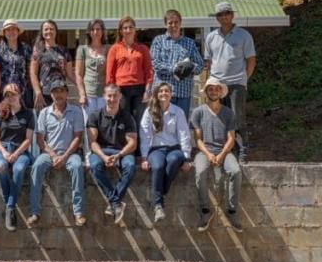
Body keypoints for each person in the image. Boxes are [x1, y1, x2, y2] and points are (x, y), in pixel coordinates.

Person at [204, 1, 257, 164]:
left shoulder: (244, 35)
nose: (224, 17)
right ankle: (225, 149)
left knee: (237, 116)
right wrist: (208, 83)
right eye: (220, 14)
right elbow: (208, 62)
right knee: (219, 117)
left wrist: (243, 79)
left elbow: (251, 60)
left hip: (236, 84)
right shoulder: (211, 37)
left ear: (232, 15)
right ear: (217, 18)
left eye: (227, 13)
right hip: (216, 85)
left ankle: (242, 148)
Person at [29, 79, 87, 227]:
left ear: (67, 93)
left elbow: (77, 138)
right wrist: (54, 156)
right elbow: (40, 140)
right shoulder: (44, 113)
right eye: (55, 91)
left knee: (77, 167)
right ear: (51, 94)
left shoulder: (76, 111)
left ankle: (78, 212)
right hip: (49, 154)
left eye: (61, 91)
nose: (58, 94)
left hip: (70, 153)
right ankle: (34, 211)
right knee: (36, 166)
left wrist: (64, 156)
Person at [191, 78, 243, 233]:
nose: (214, 92)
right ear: (206, 92)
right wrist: (208, 154)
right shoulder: (198, 112)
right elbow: (198, 140)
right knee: (200, 172)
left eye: (217, 89)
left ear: (221, 92)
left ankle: (232, 211)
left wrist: (221, 155)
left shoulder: (228, 113)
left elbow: (231, 139)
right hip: (204, 151)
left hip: (224, 151)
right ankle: (205, 210)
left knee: (236, 171)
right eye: (211, 89)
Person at [139, 82, 192, 222]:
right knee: (157, 166)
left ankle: (159, 194)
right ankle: (158, 206)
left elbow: (184, 134)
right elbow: (145, 135)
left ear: (171, 94)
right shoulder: (150, 111)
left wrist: (186, 157)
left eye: (166, 91)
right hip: (156, 149)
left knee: (175, 160)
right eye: (161, 91)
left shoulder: (178, 111)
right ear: (156, 93)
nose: (164, 93)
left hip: (174, 148)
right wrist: (144, 157)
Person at [87, 83, 138, 225]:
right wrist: (104, 157)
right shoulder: (95, 116)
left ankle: (113, 202)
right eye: (109, 95)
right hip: (101, 151)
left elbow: (132, 143)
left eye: (115, 95)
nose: (112, 98)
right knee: (95, 165)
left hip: (121, 151)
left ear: (120, 96)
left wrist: (119, 155)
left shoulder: (127, 117)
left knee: (130, 166)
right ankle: (116, 202)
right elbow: (92, 142)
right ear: (104, 97)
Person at [0, 84, 35, 231]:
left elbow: (28, 140)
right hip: (2, 149)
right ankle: (10, 205)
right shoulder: (0, 112)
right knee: (1, 167)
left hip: (20, 150)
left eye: (13, 94)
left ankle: (9, 207)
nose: (11, 97)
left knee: (20, 168)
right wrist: (4, 152)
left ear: (20, 94)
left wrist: (16, 154)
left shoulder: (28, 114)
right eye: (8, 95)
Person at [149, 9, 204, 118]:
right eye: (170, 23)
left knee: (181, 126)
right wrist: (175, 69)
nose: (173, 25)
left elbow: (200, 66)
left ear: (180, 23)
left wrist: (189, 67)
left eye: (176, 22)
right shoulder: (158, 41)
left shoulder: (190, 43)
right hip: (162, 93)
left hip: (183, 93)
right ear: (165, 24)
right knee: (160, 125)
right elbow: (155, 64)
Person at [106, 15, 153, 124]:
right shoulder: (114, 49)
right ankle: (125, 141)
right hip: (121, 89)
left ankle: (139, 141)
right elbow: (110, 73)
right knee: (123, 120)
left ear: (135, 30)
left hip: (139, 89)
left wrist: (147, 91)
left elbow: (149, 72)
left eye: (131, 27)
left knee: (140, 120)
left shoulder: (143, 49)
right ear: (121, 31)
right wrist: (112, 92)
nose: (128, 30)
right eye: (125, 28)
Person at [29, 19, 75, 110]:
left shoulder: (64, 51)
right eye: (46, 29)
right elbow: (33, 73)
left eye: (51, 29)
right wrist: (38, 92)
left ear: (56, 31)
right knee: (43, 122)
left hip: (60, 92)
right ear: (42, 32)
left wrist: (81, 87)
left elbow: (69, 74)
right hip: (43, 94)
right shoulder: (38, 50)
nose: (49, 31)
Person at [0, 19, 33, 108]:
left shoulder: (26, 48)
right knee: (5, 117)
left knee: (24, 119)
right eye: (8, 30)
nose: (11, 32)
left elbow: (31, 69)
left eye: (13, 29)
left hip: (23, 91)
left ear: (18, 31)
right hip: (4, 91)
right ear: (4, 33)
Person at [75, 18, 108, 120]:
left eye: (98, 29)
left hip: (105, 93)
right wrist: (81, 94)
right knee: (89, 124)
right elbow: (78, 74)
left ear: (102, 31)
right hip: (88, 94)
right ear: (89, 32)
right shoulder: (82, 49)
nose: (95, 32)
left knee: (104, 123)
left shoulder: (109, 49)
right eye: (93, 29)